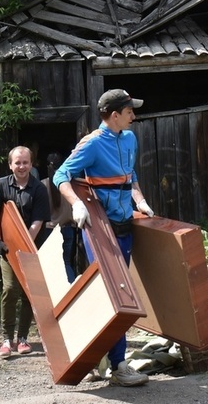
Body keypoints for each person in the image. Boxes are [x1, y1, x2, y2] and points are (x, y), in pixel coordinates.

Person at [53, 89, 155, 387]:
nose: (133, 116)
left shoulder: (130, 139)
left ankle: (100, 359)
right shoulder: (93, 144)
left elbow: (130, 175)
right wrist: (76, 203)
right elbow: (61, 175)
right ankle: (118, 365)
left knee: (117, 295)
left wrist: (140, 200)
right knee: (114, 294)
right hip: (100, 227)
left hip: (125, 225)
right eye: (129, 111)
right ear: (114, 115)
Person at [0, 146, 49, 359]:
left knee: (27, 293)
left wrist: (25, 243)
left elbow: (38, 222)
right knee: (10, 289)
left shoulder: (39, 189)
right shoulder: (1, 185)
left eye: (25, 162)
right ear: (10, 164)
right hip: (7, 249)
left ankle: (22, 339)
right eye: (17, 163)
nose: (21, 166)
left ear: (31, 164)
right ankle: (6, 339)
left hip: (31, 249)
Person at [44, 152, 81, 284]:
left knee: (50, 265)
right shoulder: (70, 186)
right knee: (66, 262)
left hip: (50, 230)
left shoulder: (42, 185)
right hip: (68, 228)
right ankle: (70, 290)